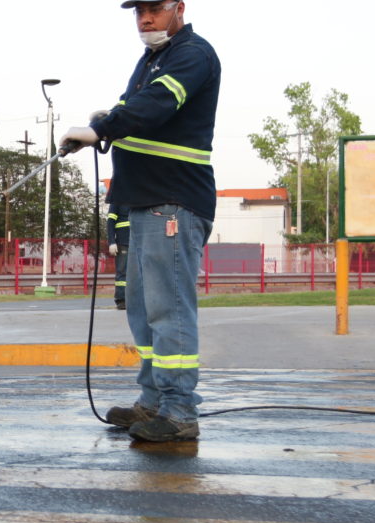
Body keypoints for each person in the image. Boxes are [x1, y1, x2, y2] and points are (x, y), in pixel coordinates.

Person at [59, 0, 220, 442]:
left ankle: (179, 411)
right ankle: (152, 402)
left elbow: (156, 104)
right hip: (141, 203)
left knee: (170, 311)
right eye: (139, 11)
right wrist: (105, 122)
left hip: (173, 201)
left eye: (154, 8)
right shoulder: (152, 60)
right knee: (144, 314)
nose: (145, 18)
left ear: (179, 8)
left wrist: (104, 129)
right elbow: (137, 108)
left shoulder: (193, 55)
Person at [106, 203, 130, 310]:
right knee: (122, 272)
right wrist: (111, 242)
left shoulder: (139, 195)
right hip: (123, 242)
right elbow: (110, 221)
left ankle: (136, 300)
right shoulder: (117, 199)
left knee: (139, 273)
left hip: (138, 241)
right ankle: (121, 300)